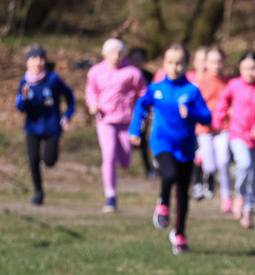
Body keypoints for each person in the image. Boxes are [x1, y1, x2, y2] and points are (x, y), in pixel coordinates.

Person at [129, 43, 212, 255]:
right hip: (162, 142)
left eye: (179, 63)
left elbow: (207, 117)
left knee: (183, 194)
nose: (174, 67)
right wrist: (135, 130)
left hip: (185, 147)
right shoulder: (156, 89)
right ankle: (163, 201)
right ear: (164, 64)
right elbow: (141, 106)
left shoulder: (192, 91)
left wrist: (192, 113)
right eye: (170, 63)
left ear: (186, 65)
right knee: (169, 174)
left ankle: (180, 234)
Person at [213, 50, 255, 229]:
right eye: (246, 68)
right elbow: (223, 101)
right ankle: (240, 196)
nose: (250, 72)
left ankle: (248, 210)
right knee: (244, 164)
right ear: (240, 69)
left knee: (254, 176)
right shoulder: (234, 85)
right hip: (237, 134)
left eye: (254, 68)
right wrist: (219, 118)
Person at [85, 38, 146, 213]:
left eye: (119, 52)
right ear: (105, 54)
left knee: (126, 160)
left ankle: (117, 164)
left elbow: (143, 93)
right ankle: (110, 197)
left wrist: (143, 112)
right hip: (105, 121)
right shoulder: (95, 71)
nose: (116, 56)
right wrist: (93, 104)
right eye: (112, 52)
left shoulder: (132, 72)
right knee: (108, 155)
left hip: (126, 121)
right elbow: (91, 90)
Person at [15, 44, 75, 205]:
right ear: (28, 62)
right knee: (33, 159)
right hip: (33, 127)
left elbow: (70, 97)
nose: (38, 62)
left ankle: (50, 155)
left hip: (52, 127)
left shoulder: (53, 80)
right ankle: (38, 192)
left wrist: (67, 115)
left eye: (41, 58)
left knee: (48, 161)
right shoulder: (25, 82)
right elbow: (20, 107)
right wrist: (24, 99)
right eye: (34, 58)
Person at [192, 46, 231, 207]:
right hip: (204, 129)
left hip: (223, 128)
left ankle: (226, 197)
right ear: (206, 63)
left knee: (224, 161)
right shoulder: (200, 82)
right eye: (213, 62)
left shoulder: (228, 82)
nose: (217, 65)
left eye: (220, 61)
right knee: (210, 166)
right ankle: (201, 155)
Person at [126, 46, 157, 178]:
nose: (137, 61)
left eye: (140, 59)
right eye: (134, 59)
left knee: (143, 141)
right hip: (126, 114)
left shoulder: (150, 76)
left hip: (144, 113)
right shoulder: (125, 75)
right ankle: (123, 165)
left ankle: (149, 168)